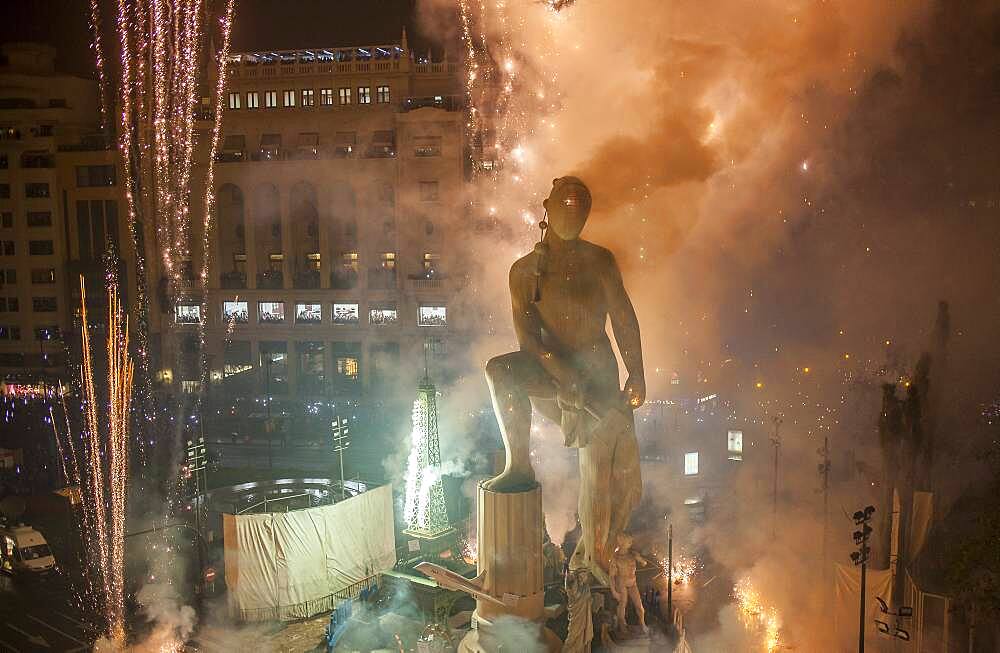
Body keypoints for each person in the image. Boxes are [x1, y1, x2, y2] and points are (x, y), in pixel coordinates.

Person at [484, 176, 645, 582]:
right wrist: (562, 373)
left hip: (597, 379)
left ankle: (597, 553)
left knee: (600, 476)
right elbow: (527, 342)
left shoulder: (600, 260)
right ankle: (518, 464)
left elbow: (623, 318)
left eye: (581, 206)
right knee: (500, 370)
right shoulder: (524, 271)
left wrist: (636, 371)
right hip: (550, 375)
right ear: (547, 206)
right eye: (565, 204)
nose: (572, 212)